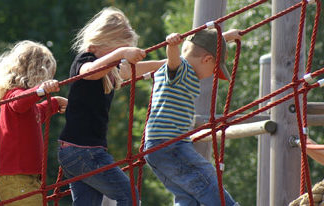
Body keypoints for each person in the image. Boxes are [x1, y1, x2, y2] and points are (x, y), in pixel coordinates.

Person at [57, 7, 164, 206]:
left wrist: (167, 63)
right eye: (117, 51)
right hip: (84, 152)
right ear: (103, 42)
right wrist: (121, 52)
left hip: (77, 152)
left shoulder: (110, 68)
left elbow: (132, 70)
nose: (120, 59)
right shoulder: (86, 60)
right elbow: (89, 72)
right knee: (130, 197)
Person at [143, 28, 242, 206]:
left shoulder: (178, 70)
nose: (213, 74)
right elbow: (174, 61)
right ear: (207, 60)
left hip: (157, 148)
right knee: (205, 176)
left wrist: (225, 37)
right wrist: (171, 45)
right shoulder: (182, 70)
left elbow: (200, 45)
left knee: (187, 196)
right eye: (214, 69)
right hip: (171, 144)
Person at [0, 40, 68, 205]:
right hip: (16, 178)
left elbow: (38, 114)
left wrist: (55, 103)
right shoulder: (13, 95)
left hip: (29, 178)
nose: (49, 79)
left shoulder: (30, 108)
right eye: (47, 76)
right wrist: (41, 90)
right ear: (36, 73)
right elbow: (19, 103)